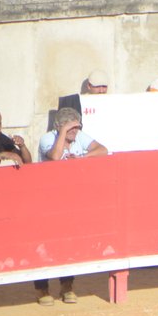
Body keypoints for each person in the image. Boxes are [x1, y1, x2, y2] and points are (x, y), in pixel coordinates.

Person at [30, 107, 109, 305]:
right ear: (60, 127)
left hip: (70, 199)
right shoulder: (48, 138)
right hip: (46, 200)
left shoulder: (79, 136)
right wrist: (64, 132)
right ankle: (42, 289)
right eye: (72, 128)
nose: (76, 132)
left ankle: (67, 287)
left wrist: (82, 158)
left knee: (68, 243)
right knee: (44, 245)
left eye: (77, 127)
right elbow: (55, 157)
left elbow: (103, 150)